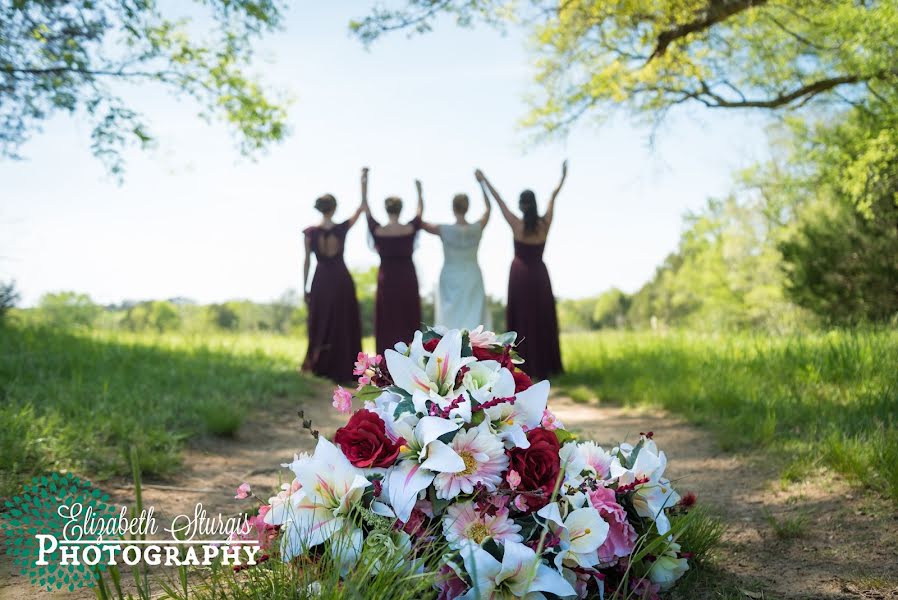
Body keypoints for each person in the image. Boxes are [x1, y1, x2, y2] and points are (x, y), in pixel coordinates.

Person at [477, 161, 567, 379]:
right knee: (541, 317)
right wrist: (562, 179)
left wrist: (484, 180)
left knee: (523, 318)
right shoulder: (544, 224)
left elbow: (499, 202)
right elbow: (553, 197)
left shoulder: (516, 224)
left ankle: (523, 365)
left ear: (521, 205)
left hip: (519, 276)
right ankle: (545, 366)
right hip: (539, 275)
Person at [301, 178, 364, 382]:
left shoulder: (310, 233)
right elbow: (361, 208)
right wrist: (363, 182)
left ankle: (321, 364)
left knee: (321, 320)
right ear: (334, 208)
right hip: (340, 278)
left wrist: (304, 287)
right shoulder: (341, 228)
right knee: (342, 320)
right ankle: (344, 366)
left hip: (320, 279)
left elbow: (306, 262)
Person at [363, 169, 424, 354]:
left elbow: (366, 208)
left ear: (386, 209)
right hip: (407, 278)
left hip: (387, 279)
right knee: (408, 317)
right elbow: (421, 211)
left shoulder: (379, 231)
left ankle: (385, 360)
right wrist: (420, 192)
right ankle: (411, 359)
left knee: (387, 318)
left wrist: (364, 182)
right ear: (400, 209)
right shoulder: (409, 229)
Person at [422, 174, 491, 330]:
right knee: (474, 316)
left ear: (453, 208)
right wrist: (482, 184)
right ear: (467, 207)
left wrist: (420, 195)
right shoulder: (477, 228)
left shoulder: (444, 230)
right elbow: (488, 209)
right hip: (472, 275)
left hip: (450, 276)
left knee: (449, 318)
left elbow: (420, 222)